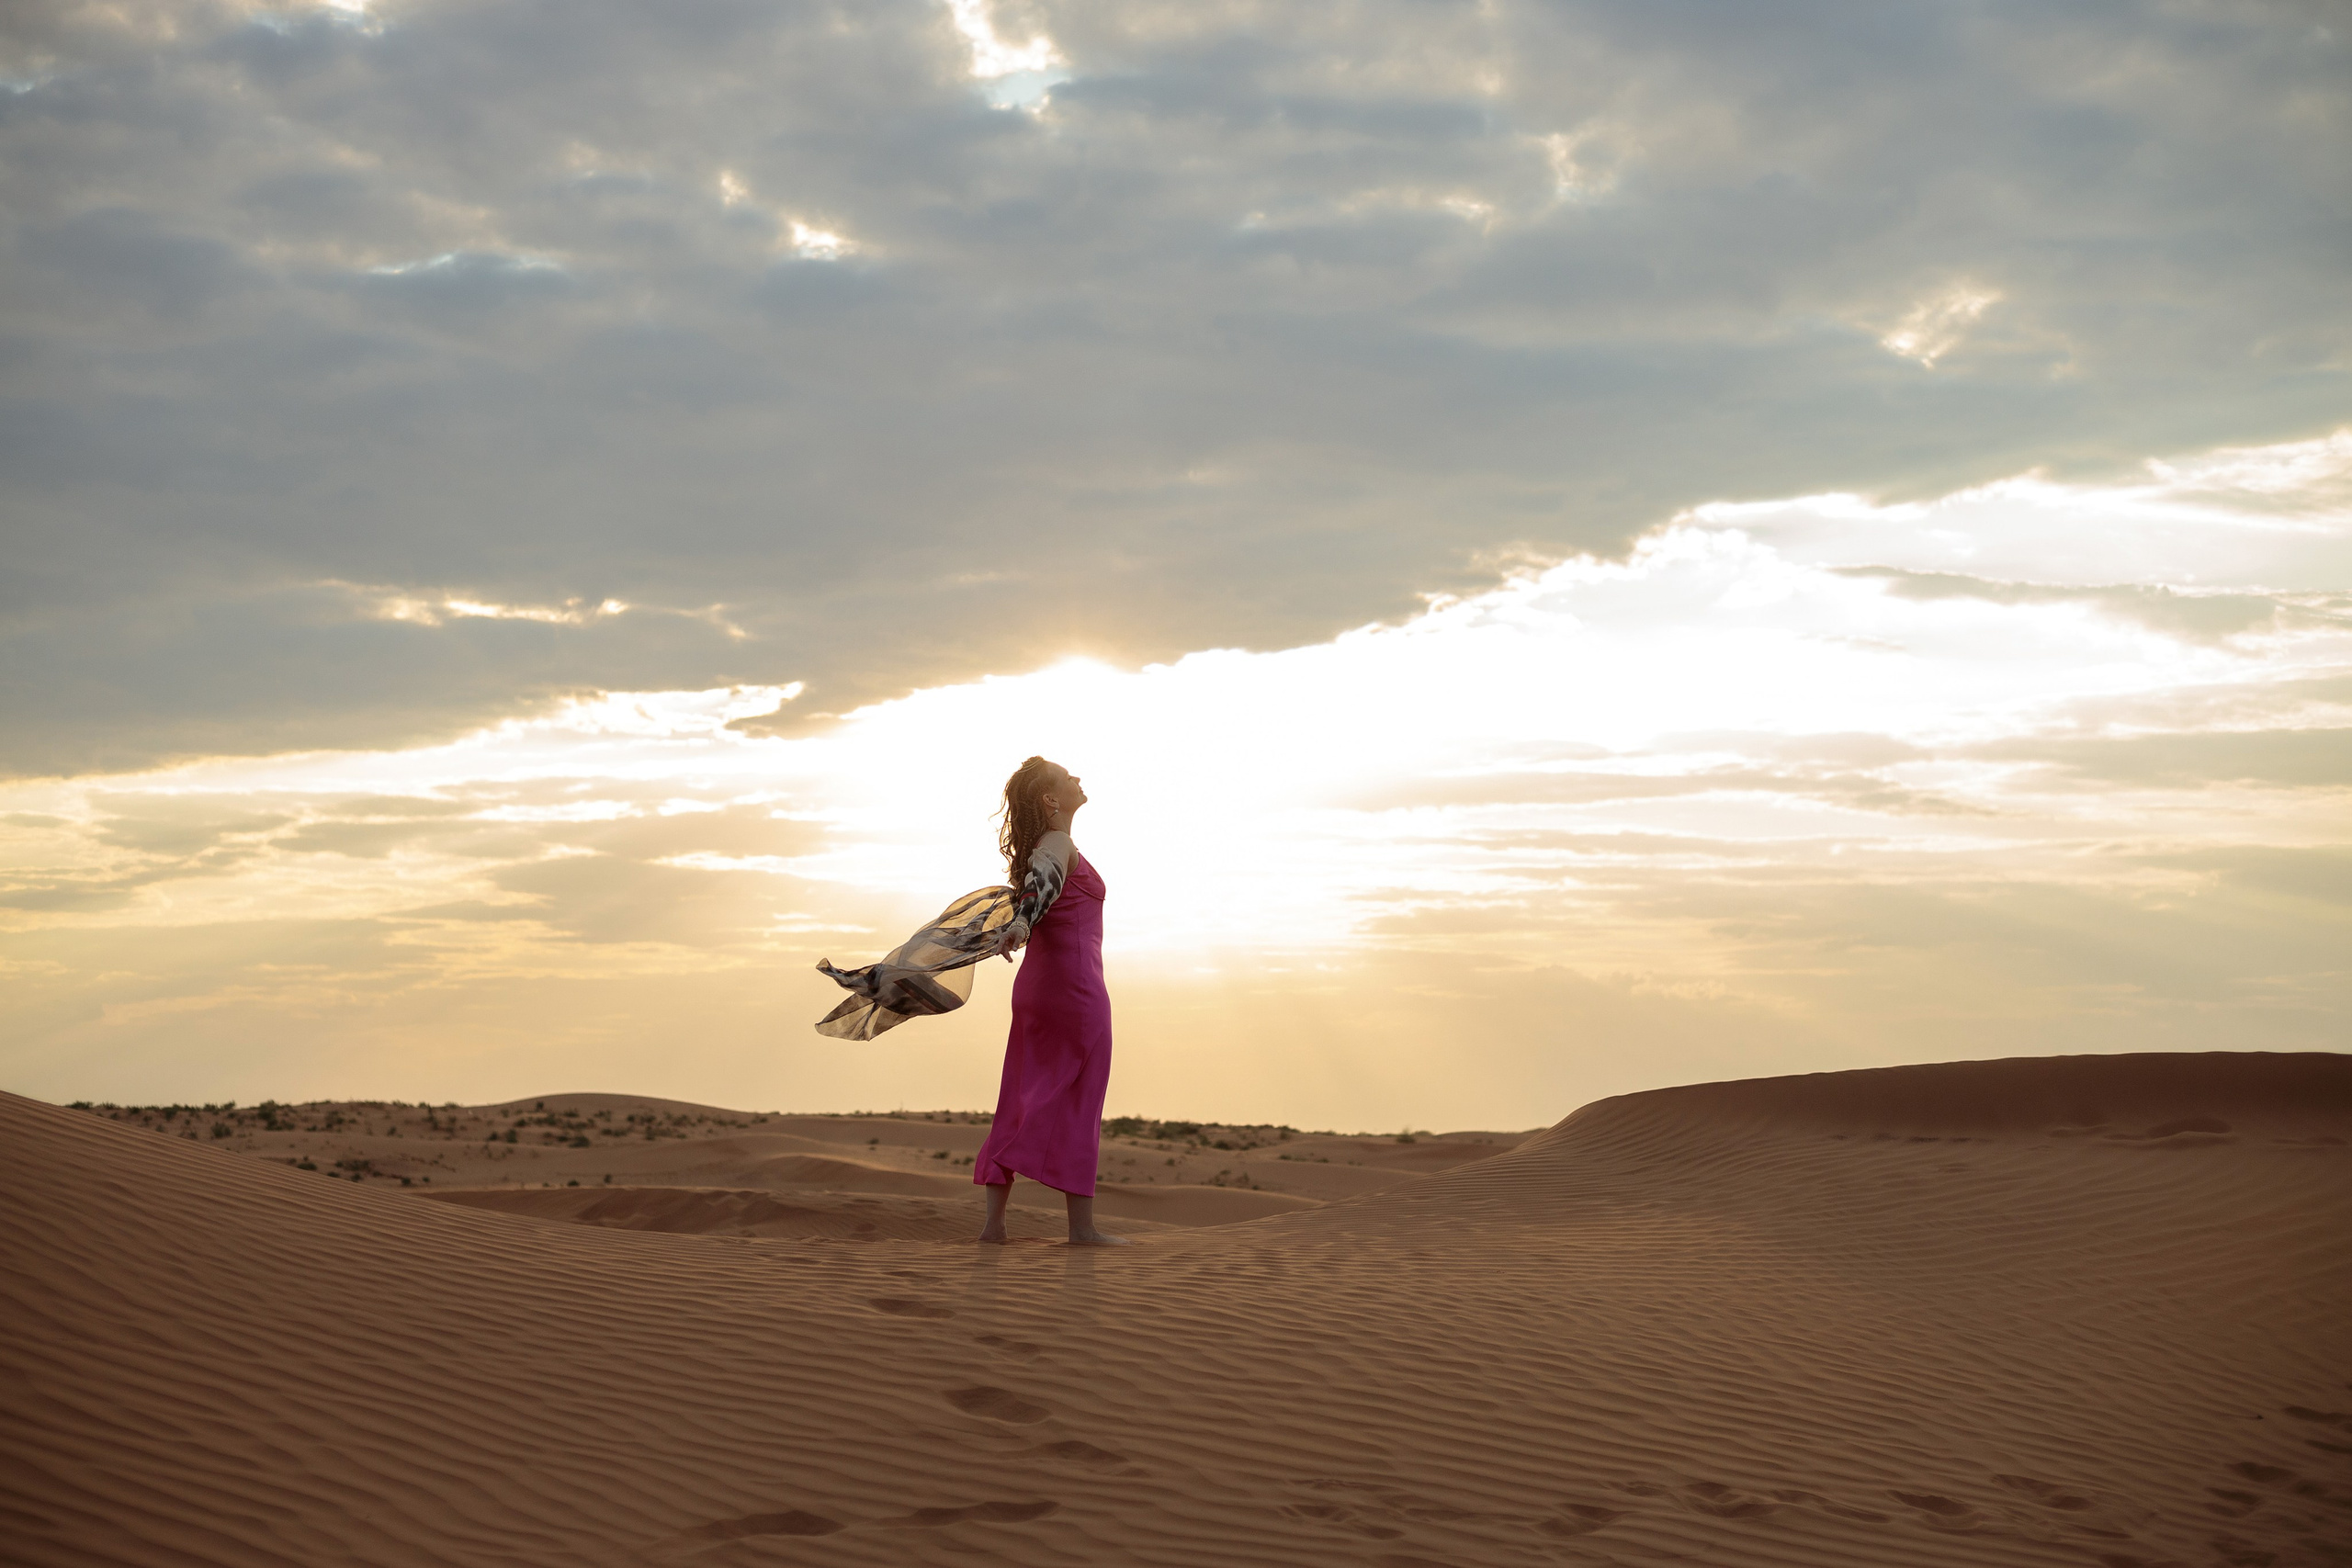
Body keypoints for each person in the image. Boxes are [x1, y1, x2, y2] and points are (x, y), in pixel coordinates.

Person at [972, 758, 1126, 1247]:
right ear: (1051, 799)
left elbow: (1041, 882)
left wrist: (1022, 921)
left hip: (1038, 989)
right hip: (1074, 989)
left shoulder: (1047, 845)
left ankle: (994, 1228)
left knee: (1018, 1094)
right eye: (1068, 777)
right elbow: (1045, 882)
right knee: (1080, 1097)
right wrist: (1022, 922)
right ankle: (1082, 1230)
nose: (1079, 778)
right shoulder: (1057, 844)